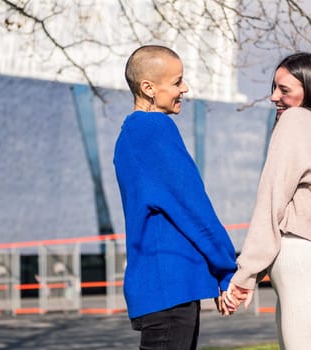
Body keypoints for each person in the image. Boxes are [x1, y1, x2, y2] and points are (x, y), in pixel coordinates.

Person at [114, 45, 237, 349]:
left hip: (159, 289)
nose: (185, 88)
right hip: (170, 287)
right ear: (149, 88)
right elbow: (192, 207)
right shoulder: (153, 129)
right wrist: (227, 269)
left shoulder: (129, 134)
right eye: (177, 81)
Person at [223, 52, 311, 350]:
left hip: (303, 276)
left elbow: (271, 203)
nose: (273, 97)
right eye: (274, 87)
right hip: (308, 274)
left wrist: (245, 273)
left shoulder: (296, 120)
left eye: (284, 90)